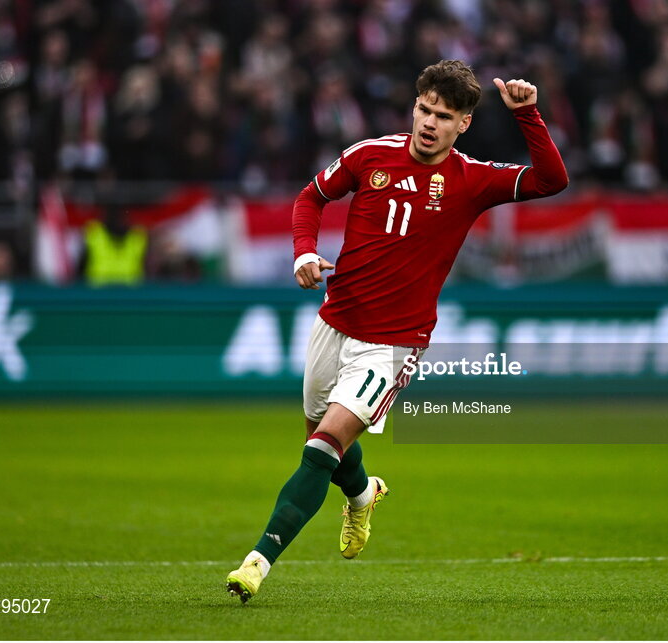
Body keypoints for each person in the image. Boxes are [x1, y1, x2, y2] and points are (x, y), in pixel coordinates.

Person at [225, 59, 568, 603]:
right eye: (424, 109)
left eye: (444, 115)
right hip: (334, 320)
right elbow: (309, 198)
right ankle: (362, 496)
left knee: (323, 447)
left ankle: (257, 561)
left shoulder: (472, 179)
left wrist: (528, 115)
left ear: (464, 124)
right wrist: (304, 252)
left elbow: (552, 180)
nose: (430, 123)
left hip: (393, 344)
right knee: (321, 432)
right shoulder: (369, 155)